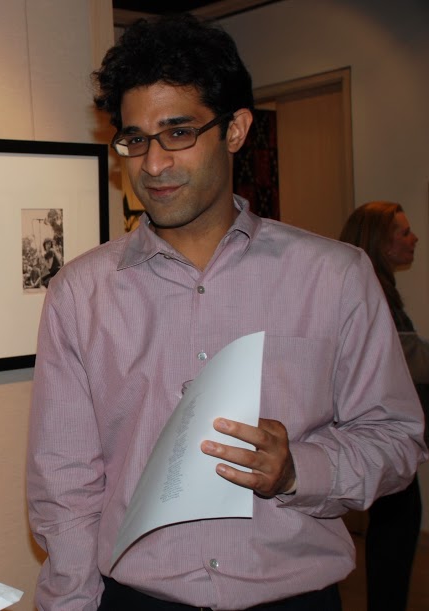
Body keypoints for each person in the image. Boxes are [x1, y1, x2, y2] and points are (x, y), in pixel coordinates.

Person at [26, 13, 427, 611]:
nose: (153, 165)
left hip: (296, 597)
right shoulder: (82, 292)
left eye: (178, 133)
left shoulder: (335, 276)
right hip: (137, 598)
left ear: (235, 129)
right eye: (134, 139)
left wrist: (299, 470)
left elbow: (396, 440)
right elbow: (64, 488)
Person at [340, 201, 429, 611]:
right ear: (381, 239)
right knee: (396, 531)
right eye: (403, 231)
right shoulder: (369, 292)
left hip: (384, 432)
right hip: (378, 434)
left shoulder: (380, 287)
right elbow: (400, 359)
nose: (413, 239)